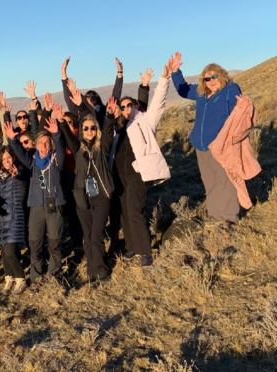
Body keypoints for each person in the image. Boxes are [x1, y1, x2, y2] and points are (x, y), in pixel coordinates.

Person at [110, 58, 173, 267]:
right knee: (125, 214)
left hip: (138, 174)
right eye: (123, 106)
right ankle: (131, 247)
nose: (126, 109)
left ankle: (145, 251)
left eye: (129, 105)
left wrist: (163, 79)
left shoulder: (144, 121)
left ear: (135, 106)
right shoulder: (119, 128)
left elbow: (157, 103)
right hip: (120, 176)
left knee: (135, 211)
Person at [170, 52, 243, 224]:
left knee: (225, 180)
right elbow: (183, 90)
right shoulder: (202, 93)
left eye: (214, 77)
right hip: (201, 146)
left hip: (220, 145)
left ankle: (228, 218)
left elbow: (239, 113)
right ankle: (215, 215)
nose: (210, 81)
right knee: (210, 181)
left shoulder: (230, 90)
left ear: (222, 75)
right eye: (206, 79)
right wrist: (175, 72)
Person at [6, 116, 66, 294]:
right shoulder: (32, 162)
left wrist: (56, 134)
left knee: (54, 242)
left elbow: (61, 147)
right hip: (36, 207)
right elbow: (19, 151)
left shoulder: (57, 160)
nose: (43, 146)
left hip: (54, 205)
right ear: (36, 144)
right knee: (35, 243)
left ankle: (54, 274)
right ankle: (36, 277)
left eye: (47, 143)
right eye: (40, 143)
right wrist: (12, 138)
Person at [59, 97, 116, 281]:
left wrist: (108, 116)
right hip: (83, 197)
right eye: (86, 128)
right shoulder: (78, 149)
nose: (90, 131)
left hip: (101, 196)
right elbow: (68, 137)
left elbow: (107, 130)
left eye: (93, 128)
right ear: (81, 131)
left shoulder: (102, 147)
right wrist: (61, 121)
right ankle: (93, 270)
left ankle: (100, 268)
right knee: (88, 235)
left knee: (97, 233)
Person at [0, 146, 28, 294]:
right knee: (5, 253)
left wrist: (17, 173)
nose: (6, 161)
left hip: (15, 217)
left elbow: (23, 177)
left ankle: (20, 277)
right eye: (3, 159)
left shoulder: (19, 172)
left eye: (9, 158)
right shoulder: (0, 178)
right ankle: (9, 277)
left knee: (10, 251)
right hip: (2, 218)